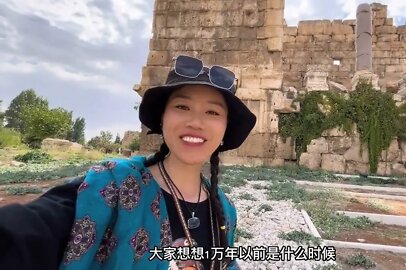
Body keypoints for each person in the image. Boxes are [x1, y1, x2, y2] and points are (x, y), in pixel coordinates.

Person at [0, 55, 256, 270]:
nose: (196, 122)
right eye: (182, 107)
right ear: (162, 119)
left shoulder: (224, 208)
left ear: (225, 130)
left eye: (212, 112)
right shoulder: (113, 184)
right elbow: (27, 232)